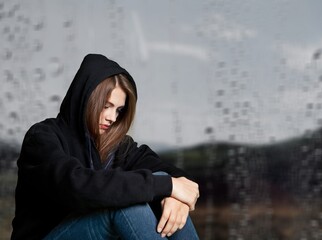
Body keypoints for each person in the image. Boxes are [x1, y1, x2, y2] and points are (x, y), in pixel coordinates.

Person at [11, 54, 200, 239]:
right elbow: (78, 187)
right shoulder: (42, 138)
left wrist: (176, 198)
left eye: (119, 110)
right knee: (126, 203)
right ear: (86, 98)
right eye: (106, 106)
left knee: (161, 180)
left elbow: (179, 179)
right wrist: (168, 186)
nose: (113, 117)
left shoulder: (117, 147)